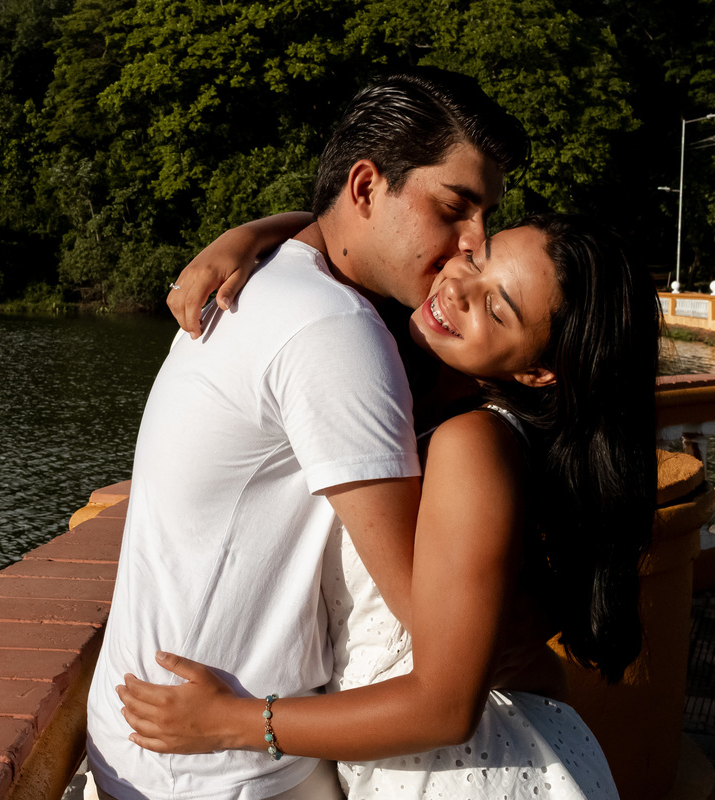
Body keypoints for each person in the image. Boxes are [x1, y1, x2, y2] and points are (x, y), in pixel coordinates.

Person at [85, 69, 529, 800]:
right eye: (455, 208)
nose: (473, 242)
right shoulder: (334, 328)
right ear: (365, 187)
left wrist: (261, 228)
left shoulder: (277, 281)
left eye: (485, 218)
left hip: (158, 739)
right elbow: (435, 634)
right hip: (222, 766)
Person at [116, 213, 660, 799]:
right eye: (477, 259)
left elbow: (446, 708)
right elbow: (355, 222)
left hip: (462, 773)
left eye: (495, 308)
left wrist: (232, 722)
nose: (457, 288)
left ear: (538, 371)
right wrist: (247, 236)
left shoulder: (473, 444)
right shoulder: (437, 404)